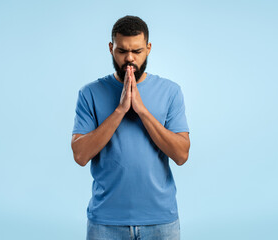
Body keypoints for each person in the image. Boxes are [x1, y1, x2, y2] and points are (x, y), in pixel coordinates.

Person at [71, 15, 190, 240]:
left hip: (161, 221)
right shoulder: (89, 93)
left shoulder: (170, 91)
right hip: (106, 222)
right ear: (111, 48)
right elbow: (80, 155)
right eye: (122, 51)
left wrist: (143, 111)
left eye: (137, 51)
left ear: (148, 48)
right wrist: (120, 110)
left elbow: (181, 154)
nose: (129, 59)